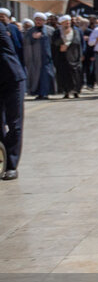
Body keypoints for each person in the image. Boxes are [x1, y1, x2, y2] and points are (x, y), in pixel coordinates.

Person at [0, 9, 24, 180]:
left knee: (14, 122)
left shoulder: (2, 27)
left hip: (11, 78)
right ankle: (3, 158)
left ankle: (11, 165)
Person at [22, 13, 56, 99]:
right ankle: (39, 93)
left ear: (44, 21)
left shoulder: (50, 30)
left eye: (40, 20)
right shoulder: (30, 32)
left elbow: (55, 43)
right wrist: (33, 38)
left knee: (47, 75)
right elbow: (26, 44)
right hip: (35, 59)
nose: (38, 21)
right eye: (36, 19)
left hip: (48, 58)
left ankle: (46, 92)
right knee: (36, 76)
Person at [53, 15, 83, 98]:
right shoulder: (57, 32)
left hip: (74, 55)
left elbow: (78, 42)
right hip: (62, 56)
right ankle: (66, 91)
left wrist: (80, 54)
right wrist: (61, 45)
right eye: (65, 23)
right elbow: (54, 43)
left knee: (75, 74)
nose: (67, 24)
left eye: (68, 22)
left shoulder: (76, 31)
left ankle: (76, 91)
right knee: (64, 74)